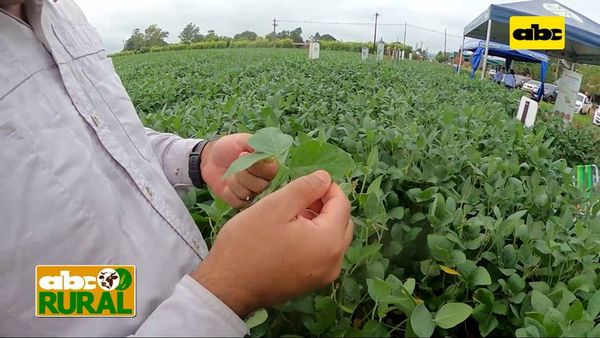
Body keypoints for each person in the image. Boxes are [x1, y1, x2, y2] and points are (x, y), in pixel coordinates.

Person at [0, 0, 353, 336]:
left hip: (144, 291)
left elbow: (94, 138)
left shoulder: (60, 14)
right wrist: (229, 289)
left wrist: (195, 159)